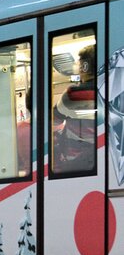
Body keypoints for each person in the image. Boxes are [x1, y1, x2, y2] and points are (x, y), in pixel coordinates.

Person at [52, 44, 96, 174]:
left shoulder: (74, 94)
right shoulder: (113, 91)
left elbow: (53, 120)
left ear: (85, 67)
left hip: (76, 165)